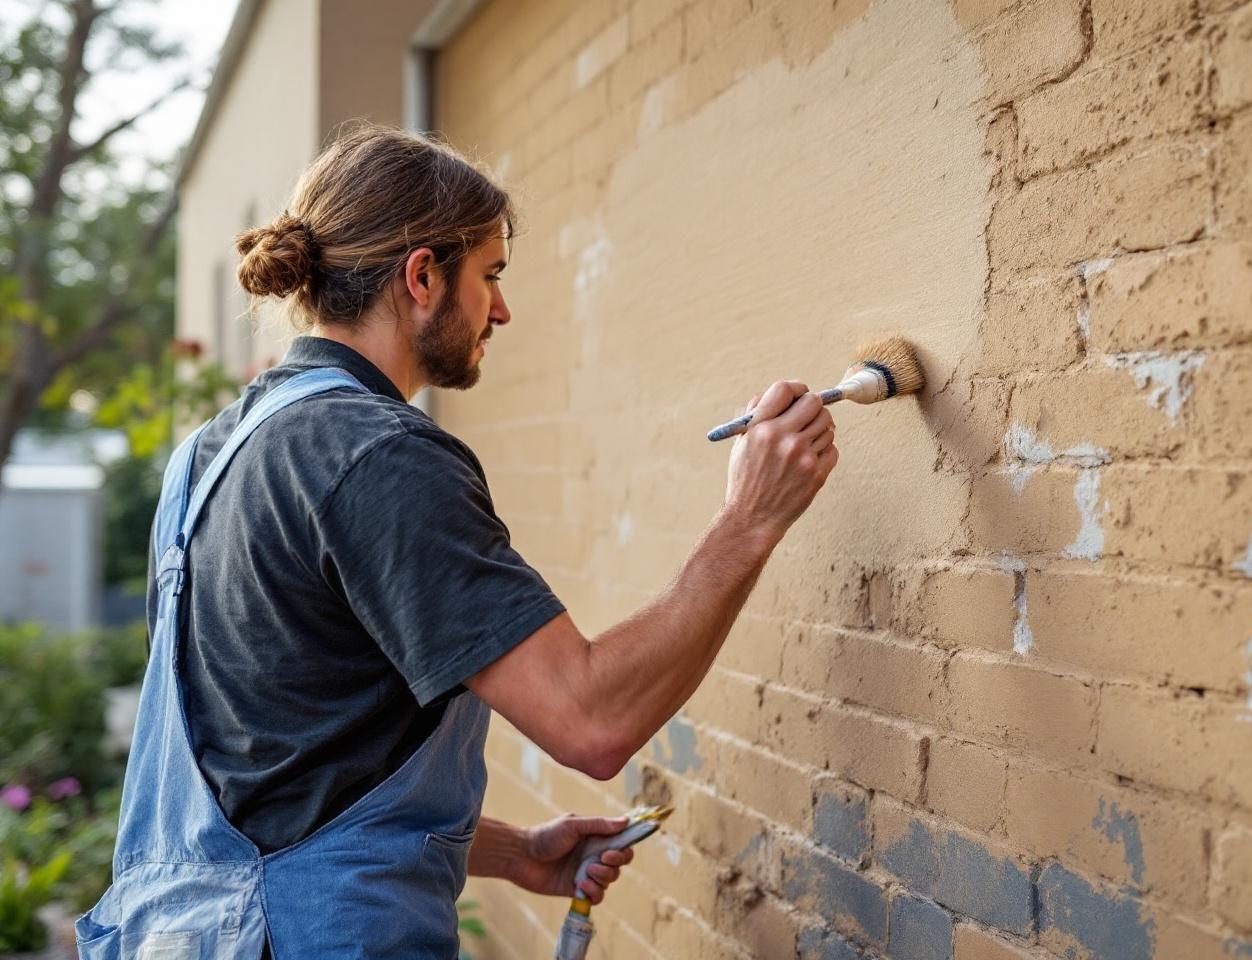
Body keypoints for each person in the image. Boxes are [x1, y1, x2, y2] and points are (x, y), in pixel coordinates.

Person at [76, 123, 838, 959]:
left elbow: (270, 767)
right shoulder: (378, 456)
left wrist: (510, 853)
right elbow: (592, 721)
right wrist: (751, 521)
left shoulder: (208, 456)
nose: (501, 309)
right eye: (491, 274)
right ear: (423, 276)